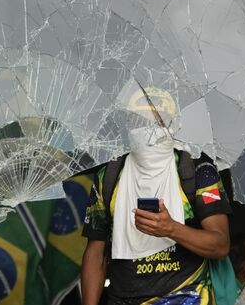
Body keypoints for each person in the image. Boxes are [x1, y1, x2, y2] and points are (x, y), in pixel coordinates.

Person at [80, 88, 232, 305]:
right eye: (138, 122)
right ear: (126, 126)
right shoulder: (108, 177)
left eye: (158, 122)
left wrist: (171, 229)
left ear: (175, 125)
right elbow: (96, 254)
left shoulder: (198, 170)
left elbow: (220, 245)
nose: (148, 131)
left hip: (187, 297)